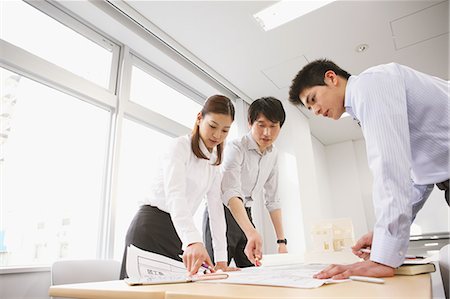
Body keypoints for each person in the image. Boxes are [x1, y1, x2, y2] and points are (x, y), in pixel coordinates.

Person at [288, 59, 449, 279]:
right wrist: (381, 235)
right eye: (309, 108)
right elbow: (417, 180)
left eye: (313, 99)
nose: (315, 110)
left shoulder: (370, 85)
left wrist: (383, 258)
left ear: (331, 78)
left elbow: (389, 167)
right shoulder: (369, 97)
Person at [120, 95, 235, 279]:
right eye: (213, 126)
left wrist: (222, 259)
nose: (217, 135)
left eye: (225, 130)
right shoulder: (179, 147)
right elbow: (175, 196)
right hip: (151, 228)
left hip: (178, 233)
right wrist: (193, 240)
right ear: (199, 118)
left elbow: (216, 211)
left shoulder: (213, 164)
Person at [203, 96, 288, 268]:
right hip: (222, 212)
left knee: (252, 272)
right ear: (250, 122)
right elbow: (230, 191)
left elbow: (273, 199)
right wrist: (251, 232)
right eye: (261, 125)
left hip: (246, 214)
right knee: (216, 274)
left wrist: (282, 242)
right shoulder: (236, 148)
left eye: (273, 126)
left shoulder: (273, 154)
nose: (267, 133)